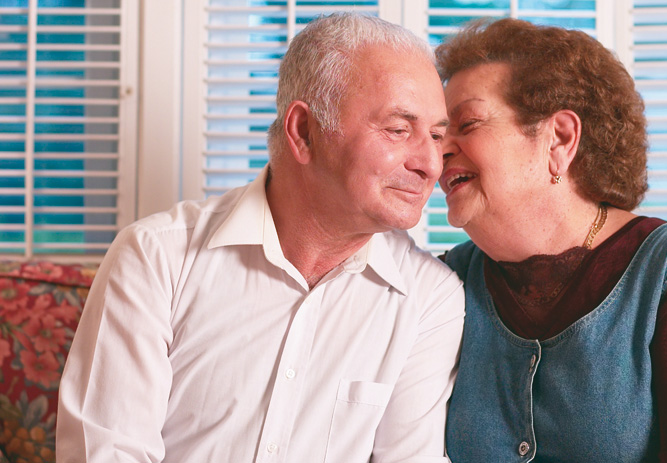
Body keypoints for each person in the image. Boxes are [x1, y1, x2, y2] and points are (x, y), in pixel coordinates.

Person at [56, 13, 465, 463]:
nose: (430, 164)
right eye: (398, 130)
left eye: (437, 136)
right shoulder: (156, 258)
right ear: (303, 131)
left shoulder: (430, 299)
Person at [436, 18, 667, 463]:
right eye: (438, 133)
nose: (438, 150)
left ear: (560, 139)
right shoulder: (442, 283)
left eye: (467, 123)